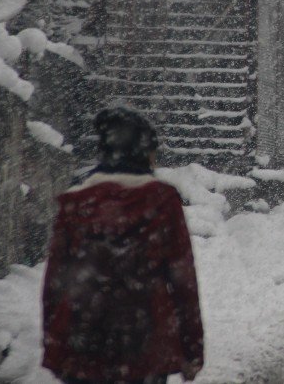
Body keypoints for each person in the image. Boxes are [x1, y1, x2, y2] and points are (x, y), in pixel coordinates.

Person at [42, 107, 204, 384]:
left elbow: (55, 283)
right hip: (146, 341)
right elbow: (182, 279)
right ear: (143, 153)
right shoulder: (161, 201)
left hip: (84, 340)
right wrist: (192, 348)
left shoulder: (76, 204)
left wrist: (55, 345)